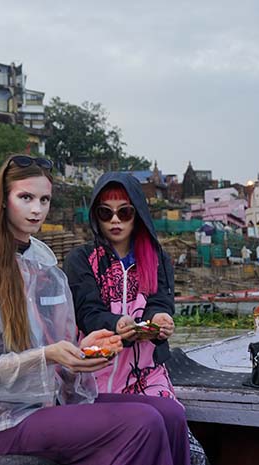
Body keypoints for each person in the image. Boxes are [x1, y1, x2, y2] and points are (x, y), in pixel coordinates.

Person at [0, 156, 189, 465]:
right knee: (144, 421)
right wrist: (48, 355)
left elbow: (62, 362)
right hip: (1, 420)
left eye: (44, 199)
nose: (37, 209)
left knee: (169, 414)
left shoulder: (47, 272)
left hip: (51, 404)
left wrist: (81, 353)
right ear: (3, 201)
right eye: (25, 197)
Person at [64, 172, 203, 464]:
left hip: (147, 373)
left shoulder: (156, 257)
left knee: (174, 415)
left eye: (124, 212)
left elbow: (159, 302)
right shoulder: (81, 259)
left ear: (136, 214)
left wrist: (161, 319)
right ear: (96, 215)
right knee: (141, 428)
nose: (115, 220)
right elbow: (87, 312)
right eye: (106, 212)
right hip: (96, 376)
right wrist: (116, 324)